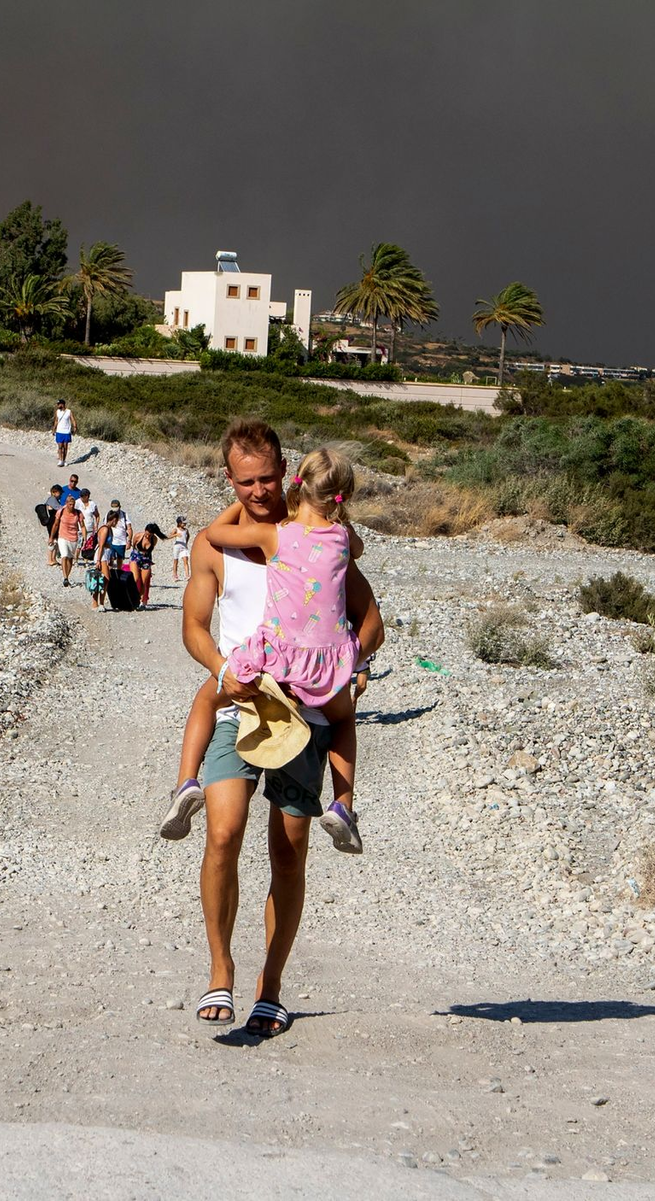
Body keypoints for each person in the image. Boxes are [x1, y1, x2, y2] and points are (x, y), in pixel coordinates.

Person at [163, 419, 383, 1035]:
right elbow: (194, 629)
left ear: (286, 471)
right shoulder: (219, 545)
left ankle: (272, 986)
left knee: (287, 857)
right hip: (242, 705)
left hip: (307, 717)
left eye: (268, 479)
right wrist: (220, 669)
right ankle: (219, 971)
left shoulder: (320, 533)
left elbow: (372, 619)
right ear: (229, 479)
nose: (259, 491)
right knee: (223, 834)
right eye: (246, 481)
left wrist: (349, 667)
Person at [204, 447, 365, 850]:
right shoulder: (344, 538)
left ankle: (186, 780)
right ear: (342, 495)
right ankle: (343, 804)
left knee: (213, 691)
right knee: (344, 720)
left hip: (279, 661)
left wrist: (236, 496)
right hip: (329, 662)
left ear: (295, 483)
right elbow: (356, 550)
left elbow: (214, 534)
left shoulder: (274, 535)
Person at [129, 522, 166, 610]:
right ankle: (133, 598)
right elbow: (133, 545)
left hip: (146, 559)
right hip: (136, 557)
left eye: (150, 535)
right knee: (135, 578)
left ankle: (141, 601)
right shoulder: (138, 536)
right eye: (147, 534)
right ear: (145, 530)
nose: (148, 536)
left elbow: (150, 550)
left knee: (144, 581)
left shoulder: (154, 540)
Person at [50, 495, 83, 587]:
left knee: (70, 558)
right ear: (66, 504)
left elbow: (82, 526)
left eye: (73, 504)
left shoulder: (78, 513)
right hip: (62, 536)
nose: (72, 506)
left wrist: (84, 537)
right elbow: (56, 525)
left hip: (73, 537)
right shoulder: (61, 512)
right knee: (64, 556)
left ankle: (67, 577)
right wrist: (51, 537)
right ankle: (65, 577)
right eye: (70, 504)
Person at [88, 510, 119, 609]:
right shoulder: (105, 529)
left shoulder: (109, 529)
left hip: (106, 554)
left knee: (101, 579)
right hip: (101, 555)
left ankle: (99, 603)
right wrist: (98, 561)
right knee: (103, 579)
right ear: (113, 520)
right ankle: (97, 603)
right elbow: (101, 545)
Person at [41, 484, 64, 567]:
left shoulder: (54, 500)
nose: (61, 495)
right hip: (52, 522)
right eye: (59, 493)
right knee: (52, 539)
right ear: (54, 492)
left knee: (55, 540)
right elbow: (58, 508)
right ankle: (50, 559)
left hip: (55, 522)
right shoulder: (52, 499)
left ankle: (53, 559)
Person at [76, 488, 100, 561]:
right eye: (81, 496)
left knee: (88, 545)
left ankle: (86, 560)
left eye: (83, 496)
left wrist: (96, 525)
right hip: (80, 527)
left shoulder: (92, 504)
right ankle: (75, 559)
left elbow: (97, 515)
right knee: (79, 545)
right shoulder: (77, 503)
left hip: (90, 527)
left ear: (87, 496)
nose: (82, 497)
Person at [108, 498, 130, 567]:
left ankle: (119, 572)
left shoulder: (124, 515)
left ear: (120, 507)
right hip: (111, 541)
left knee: (120, 559)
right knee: (110, 558)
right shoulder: (108, 515)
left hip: (121, 542)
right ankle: (110, 573)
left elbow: (129, 528)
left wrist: (129, 541)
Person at [53, 399, 75, 467]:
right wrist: (54, 429)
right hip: (59, 431)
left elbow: (72, 419)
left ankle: (64, 460)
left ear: (62, 404)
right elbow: (56, 421)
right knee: (60, 446)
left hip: (66, 431)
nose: (57, 405)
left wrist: (75, 426)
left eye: (58, 404)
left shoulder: (69, 411)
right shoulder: (57, 412)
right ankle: (60, 460)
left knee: (65, 447)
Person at [170, 516, 191, 583]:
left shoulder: (186, 530)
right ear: (179, 523)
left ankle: (187, 575)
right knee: (176, 561)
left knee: (185, 560)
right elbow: (169, 536)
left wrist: (186, 543)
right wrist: (176, 535)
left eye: (185, 523)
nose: (184, 524)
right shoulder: (176, 529)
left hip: (184, 547)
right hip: (177, 546)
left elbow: (188, 536)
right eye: (183, 523)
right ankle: (175, 575)